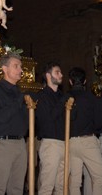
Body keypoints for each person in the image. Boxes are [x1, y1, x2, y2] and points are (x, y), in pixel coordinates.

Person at [0, 51, 29, 195]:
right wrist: (18, 101)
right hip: (2, 144)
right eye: (16, 66)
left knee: (17, 189)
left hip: (20, 143)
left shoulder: (19, 91)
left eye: (21, 67)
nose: (21, 70)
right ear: (5, 69)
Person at [66, 67, 102, 195]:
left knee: (75, 181)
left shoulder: (65, 97)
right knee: (99, 178)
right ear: (85, 81)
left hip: (70, 142)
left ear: (70, 82)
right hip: (87, 141)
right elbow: (99, 122)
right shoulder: (91, 98)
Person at [35, 61, 67, 195]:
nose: (61, 75)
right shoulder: (42, 96)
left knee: (62, 186)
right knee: (47, 186)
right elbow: (48, 119)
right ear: (48, 76)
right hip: (51, 144)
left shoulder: (61, 95)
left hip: (64, 142)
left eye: (60, 72)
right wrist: (62, 102)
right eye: (57, 72)